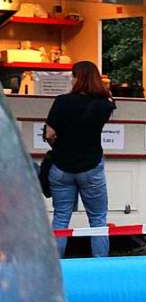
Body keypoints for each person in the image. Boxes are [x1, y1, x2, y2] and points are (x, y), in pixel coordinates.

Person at [44, 60, 116, 257]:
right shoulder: (104, 105)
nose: (71, 79)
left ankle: (56, 267)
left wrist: (58, 147)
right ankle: (100, 267)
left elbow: (50, 134)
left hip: (61, 168)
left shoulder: (61, 101)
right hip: (91, 167)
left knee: (60, 218)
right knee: (98, 219)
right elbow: (110, 106)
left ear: (78, 78)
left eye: (73, 76)